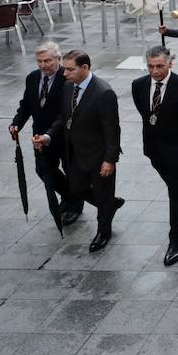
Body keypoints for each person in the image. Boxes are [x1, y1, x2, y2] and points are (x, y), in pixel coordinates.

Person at [34, 50, 123, 253]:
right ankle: (110, 204)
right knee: (76, 189)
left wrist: (110, 160)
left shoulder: (103, 92)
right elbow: (63, 118)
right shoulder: (68, 88)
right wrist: (47, 136)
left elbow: (112, 130)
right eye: (65, 69)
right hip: (74, 153)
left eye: (70, 69)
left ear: (85, 68)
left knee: (102, 194)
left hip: (98, 156)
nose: (64, 73)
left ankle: (103, 231)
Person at [131, 46, 178, 267]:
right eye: (151, 66)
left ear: (170, 64)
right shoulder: (138, 85)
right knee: (173, 185)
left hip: (177, 148)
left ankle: (175, 240)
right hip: (153, 147)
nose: (155, 71)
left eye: (160, 66)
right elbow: (145, 113)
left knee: (174, 192)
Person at [10, 42, 82, 226]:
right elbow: (26, 104)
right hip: (40, 136)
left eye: (48, 60)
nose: (43, 65)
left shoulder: (68, 79)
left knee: (70, 170)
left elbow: (65, 112)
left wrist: (50, 134)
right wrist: (16, 123)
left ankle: (75, 205)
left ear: (59, 59)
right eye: (39, 61)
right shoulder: (33, 78)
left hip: (65, 135)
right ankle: (69, 196)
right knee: (43, 170)